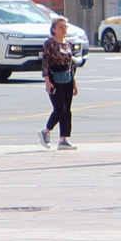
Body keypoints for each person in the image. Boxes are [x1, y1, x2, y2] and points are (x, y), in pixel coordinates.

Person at [39, 16, 78, 150]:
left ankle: (63, 139)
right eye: (61, 27)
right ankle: (46, 131)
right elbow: (45, 63)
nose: (64, 29)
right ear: (54, 29)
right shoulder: (49, 44)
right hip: (54, 77)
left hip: (67, 77)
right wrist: (47, 81)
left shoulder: (68, 43)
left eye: (65, 26)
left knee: (67, 110)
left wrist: (74, 82)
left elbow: (71, 64)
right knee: (60, 108)